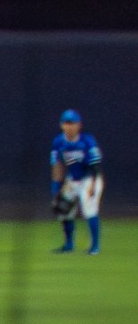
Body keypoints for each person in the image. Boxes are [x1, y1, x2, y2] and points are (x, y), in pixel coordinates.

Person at [52, 108, 103, 255]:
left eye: (72, 123)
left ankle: (94, 246)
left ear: (79, 125)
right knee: (64, 210)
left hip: (89, 178)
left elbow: (95, 165)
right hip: (72, 179)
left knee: (89, 208)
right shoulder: (58, 142)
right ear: (62, 125)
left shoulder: (87, 140)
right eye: (66, 123)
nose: (69, 126)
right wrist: (56, 188)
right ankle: (68, 244)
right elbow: (56, 165)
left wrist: (93, 185)